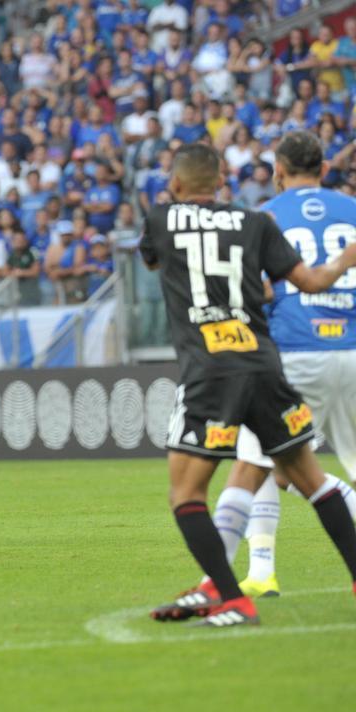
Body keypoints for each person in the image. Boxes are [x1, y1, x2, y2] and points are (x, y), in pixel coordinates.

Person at [140, 143, 356, 628]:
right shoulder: (256, 222)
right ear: (222, 182)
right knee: (312, 480)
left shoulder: (160, 220)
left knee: (186, 495)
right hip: (264, 364)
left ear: (175, 184)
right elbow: (309, 282)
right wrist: (345, 260)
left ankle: (232, 598)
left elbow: (156, 262)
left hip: (210, 370)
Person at [204, 132, 356, 598]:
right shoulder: (352, 210)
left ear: (278, 172)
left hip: (293, 349)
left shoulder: (264, 217)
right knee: (289, 466)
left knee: (256, 462)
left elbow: (259, 289)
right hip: (353, 348)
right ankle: (256, 572)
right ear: (324, 169)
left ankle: (239, 576)